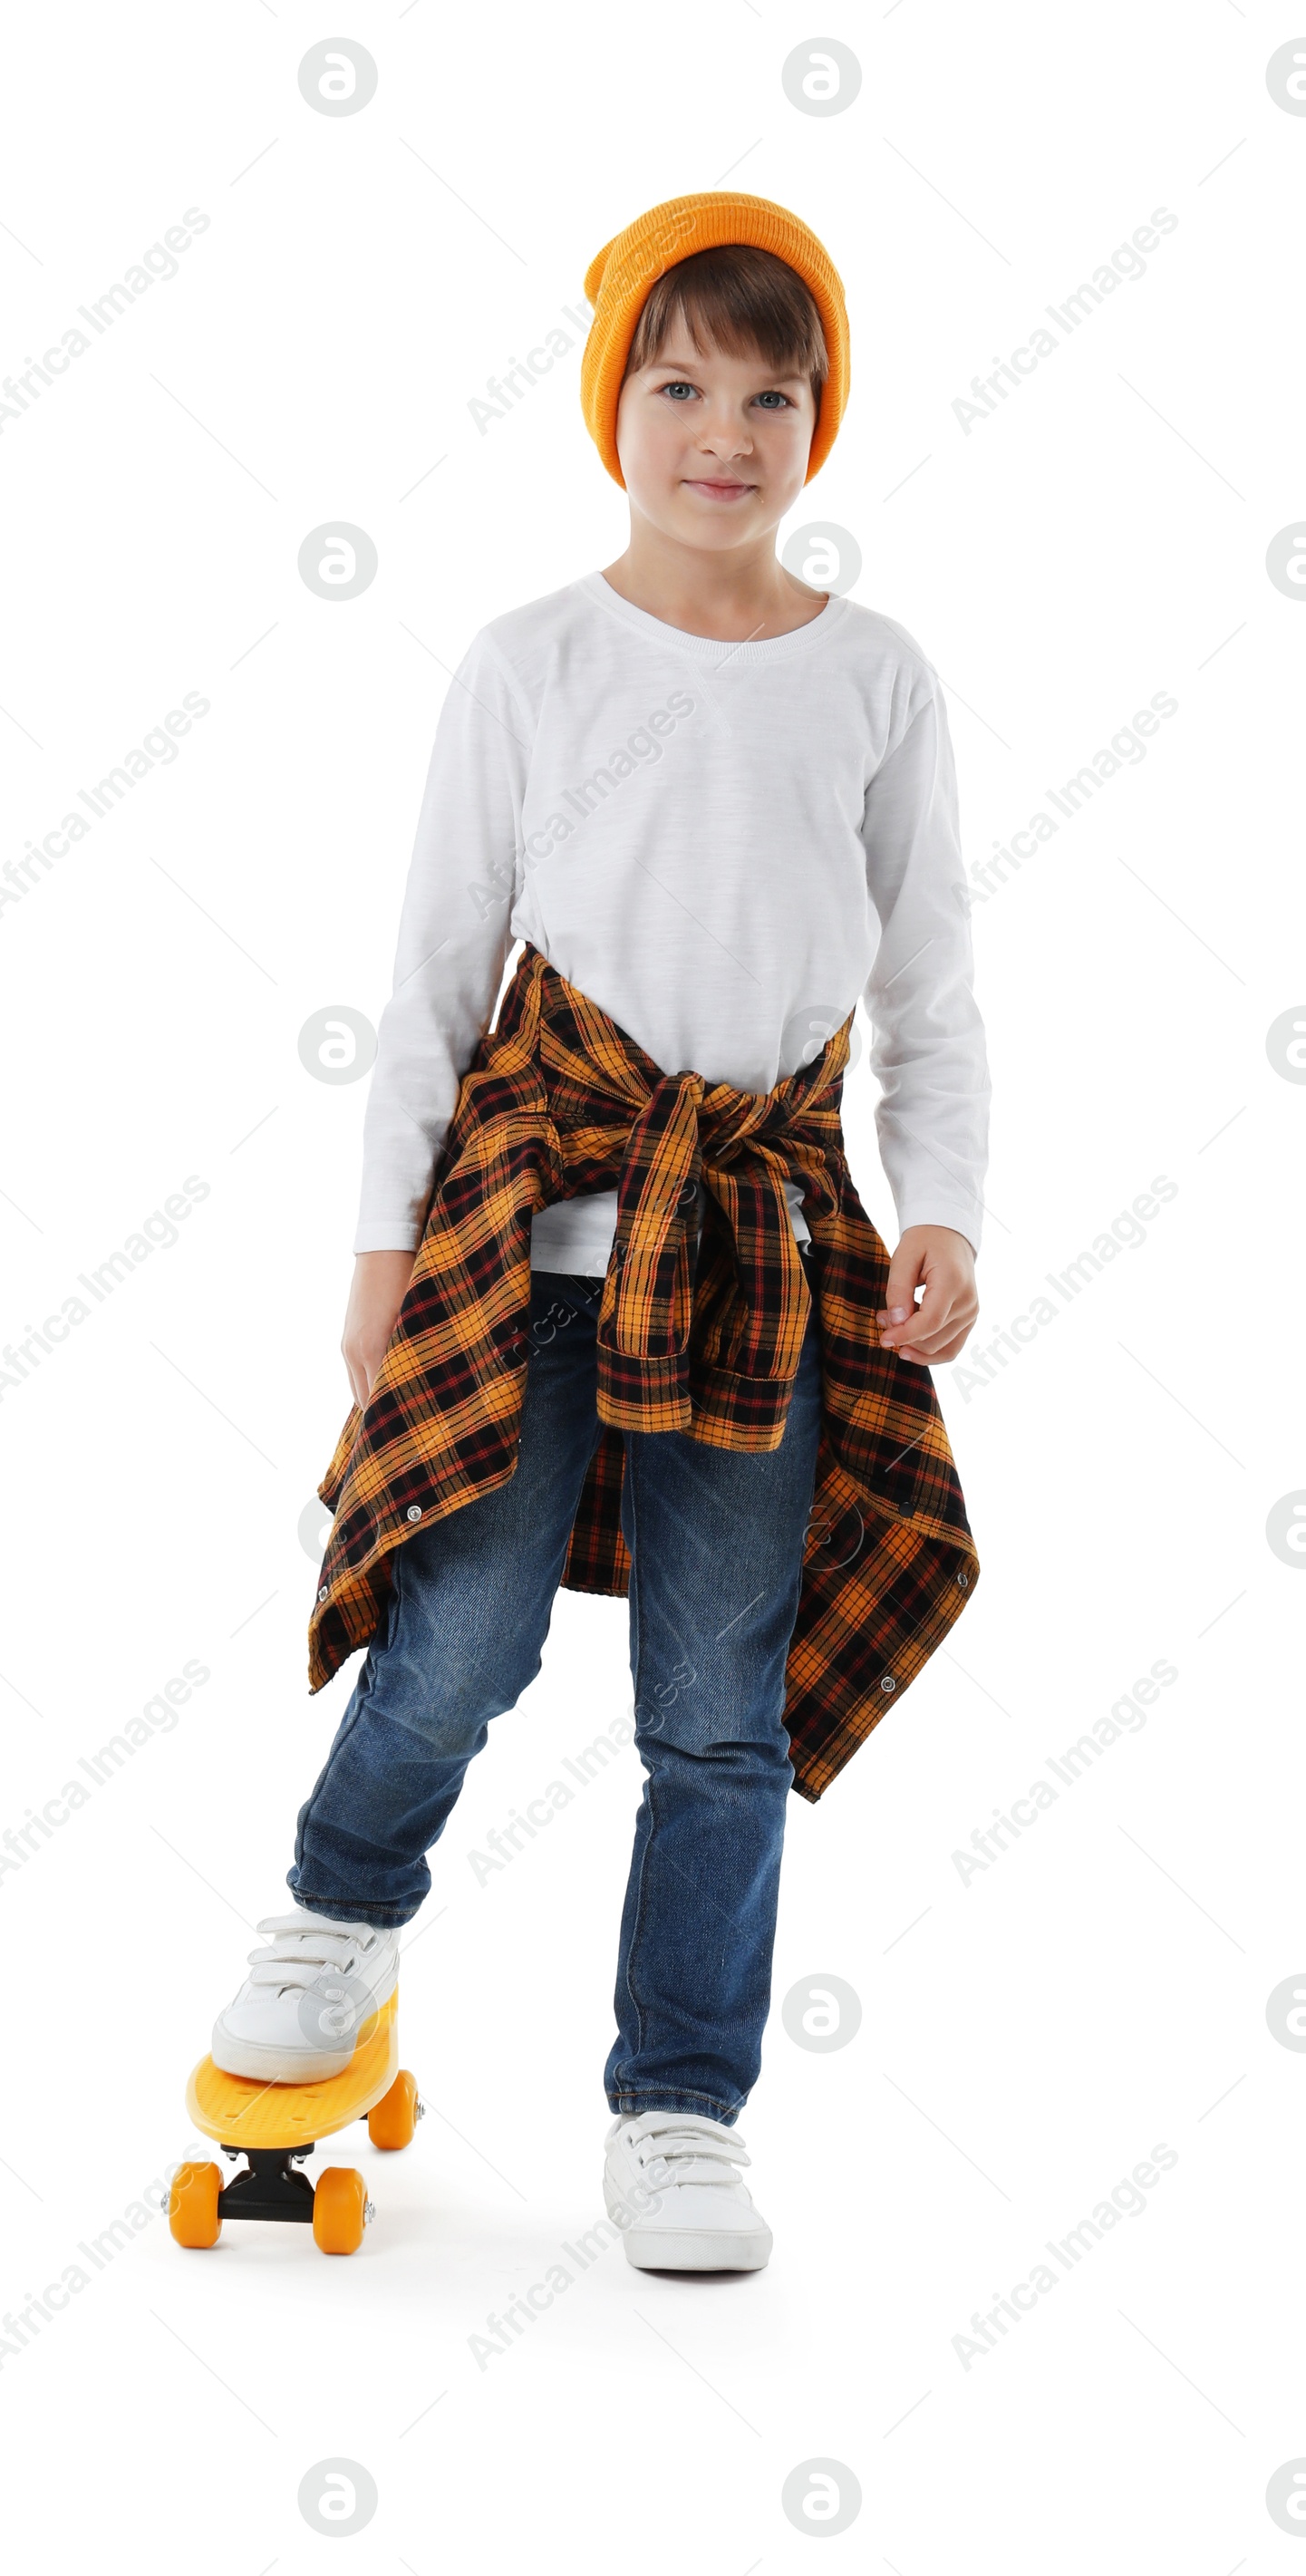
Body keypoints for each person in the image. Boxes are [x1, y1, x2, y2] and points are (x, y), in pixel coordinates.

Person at [208, 190, 989, 2272]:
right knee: (445, 1638)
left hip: (762, 1257)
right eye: (676, 385)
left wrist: (949, 1214)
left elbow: (928, 987)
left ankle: (676, 2106)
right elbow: (435, 969)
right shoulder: (526, 660)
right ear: (608, 407)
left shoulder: (875, 677)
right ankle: (337, 1921)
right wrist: (379, 1244)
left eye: (768, 390)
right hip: (521, 1238)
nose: (720, 431)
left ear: (817, 419)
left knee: (715, 1709)